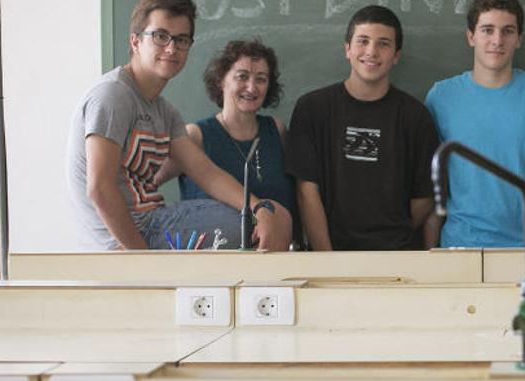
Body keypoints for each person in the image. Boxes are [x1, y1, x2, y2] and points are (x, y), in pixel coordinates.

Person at [66, 0, 292, 251]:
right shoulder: (112, 95)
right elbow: (99, 188)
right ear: (136, 41)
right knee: (276, 218)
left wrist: (258, 207)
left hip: (154, 221)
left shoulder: (165, 111)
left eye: (181, 40)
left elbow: (207, 173)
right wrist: (141, 259)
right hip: (124, 239)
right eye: (161, 36)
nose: (172, 48)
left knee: (273, 214)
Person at [425, 0, 525, 248]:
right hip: (461, 246)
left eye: (507, 31)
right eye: (487, 30)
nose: (497, 40)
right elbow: (427, 180)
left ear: (519, 38)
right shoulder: (441, 97)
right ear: (470, 36)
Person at [285, 5, 440, 251]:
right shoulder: (312, 109)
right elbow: (306, 191)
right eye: (363, 41)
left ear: (396, 55)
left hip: (398, 259)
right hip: (330, 254)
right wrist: (328, 259)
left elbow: (425, 197)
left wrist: (390, 240)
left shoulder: (415, 116)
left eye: (383, 44)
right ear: (347, 48)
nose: (372, 52)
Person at [155, 39, 301, 248]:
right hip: (211, 268)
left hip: (277, 265)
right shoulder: (194, 136)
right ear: (221, 80)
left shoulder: (277, 131)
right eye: (242, 76)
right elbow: (145, 183)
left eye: (261, 79)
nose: (251, 87)